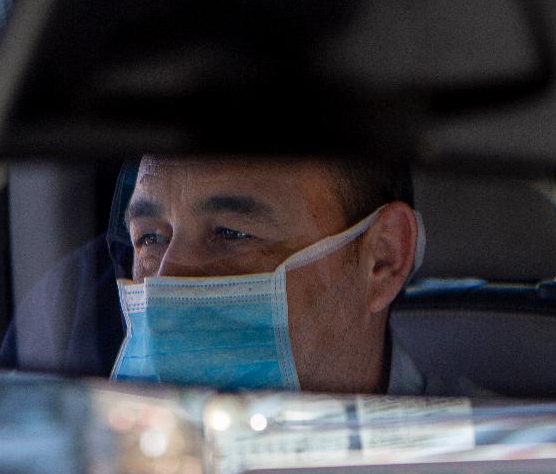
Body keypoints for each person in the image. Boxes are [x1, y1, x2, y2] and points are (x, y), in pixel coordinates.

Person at [108, 155, 428, 394]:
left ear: (383, 259)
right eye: (149, 238)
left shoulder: (455, 457)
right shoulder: (113, 455)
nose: (164, 279)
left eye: (232, 233)